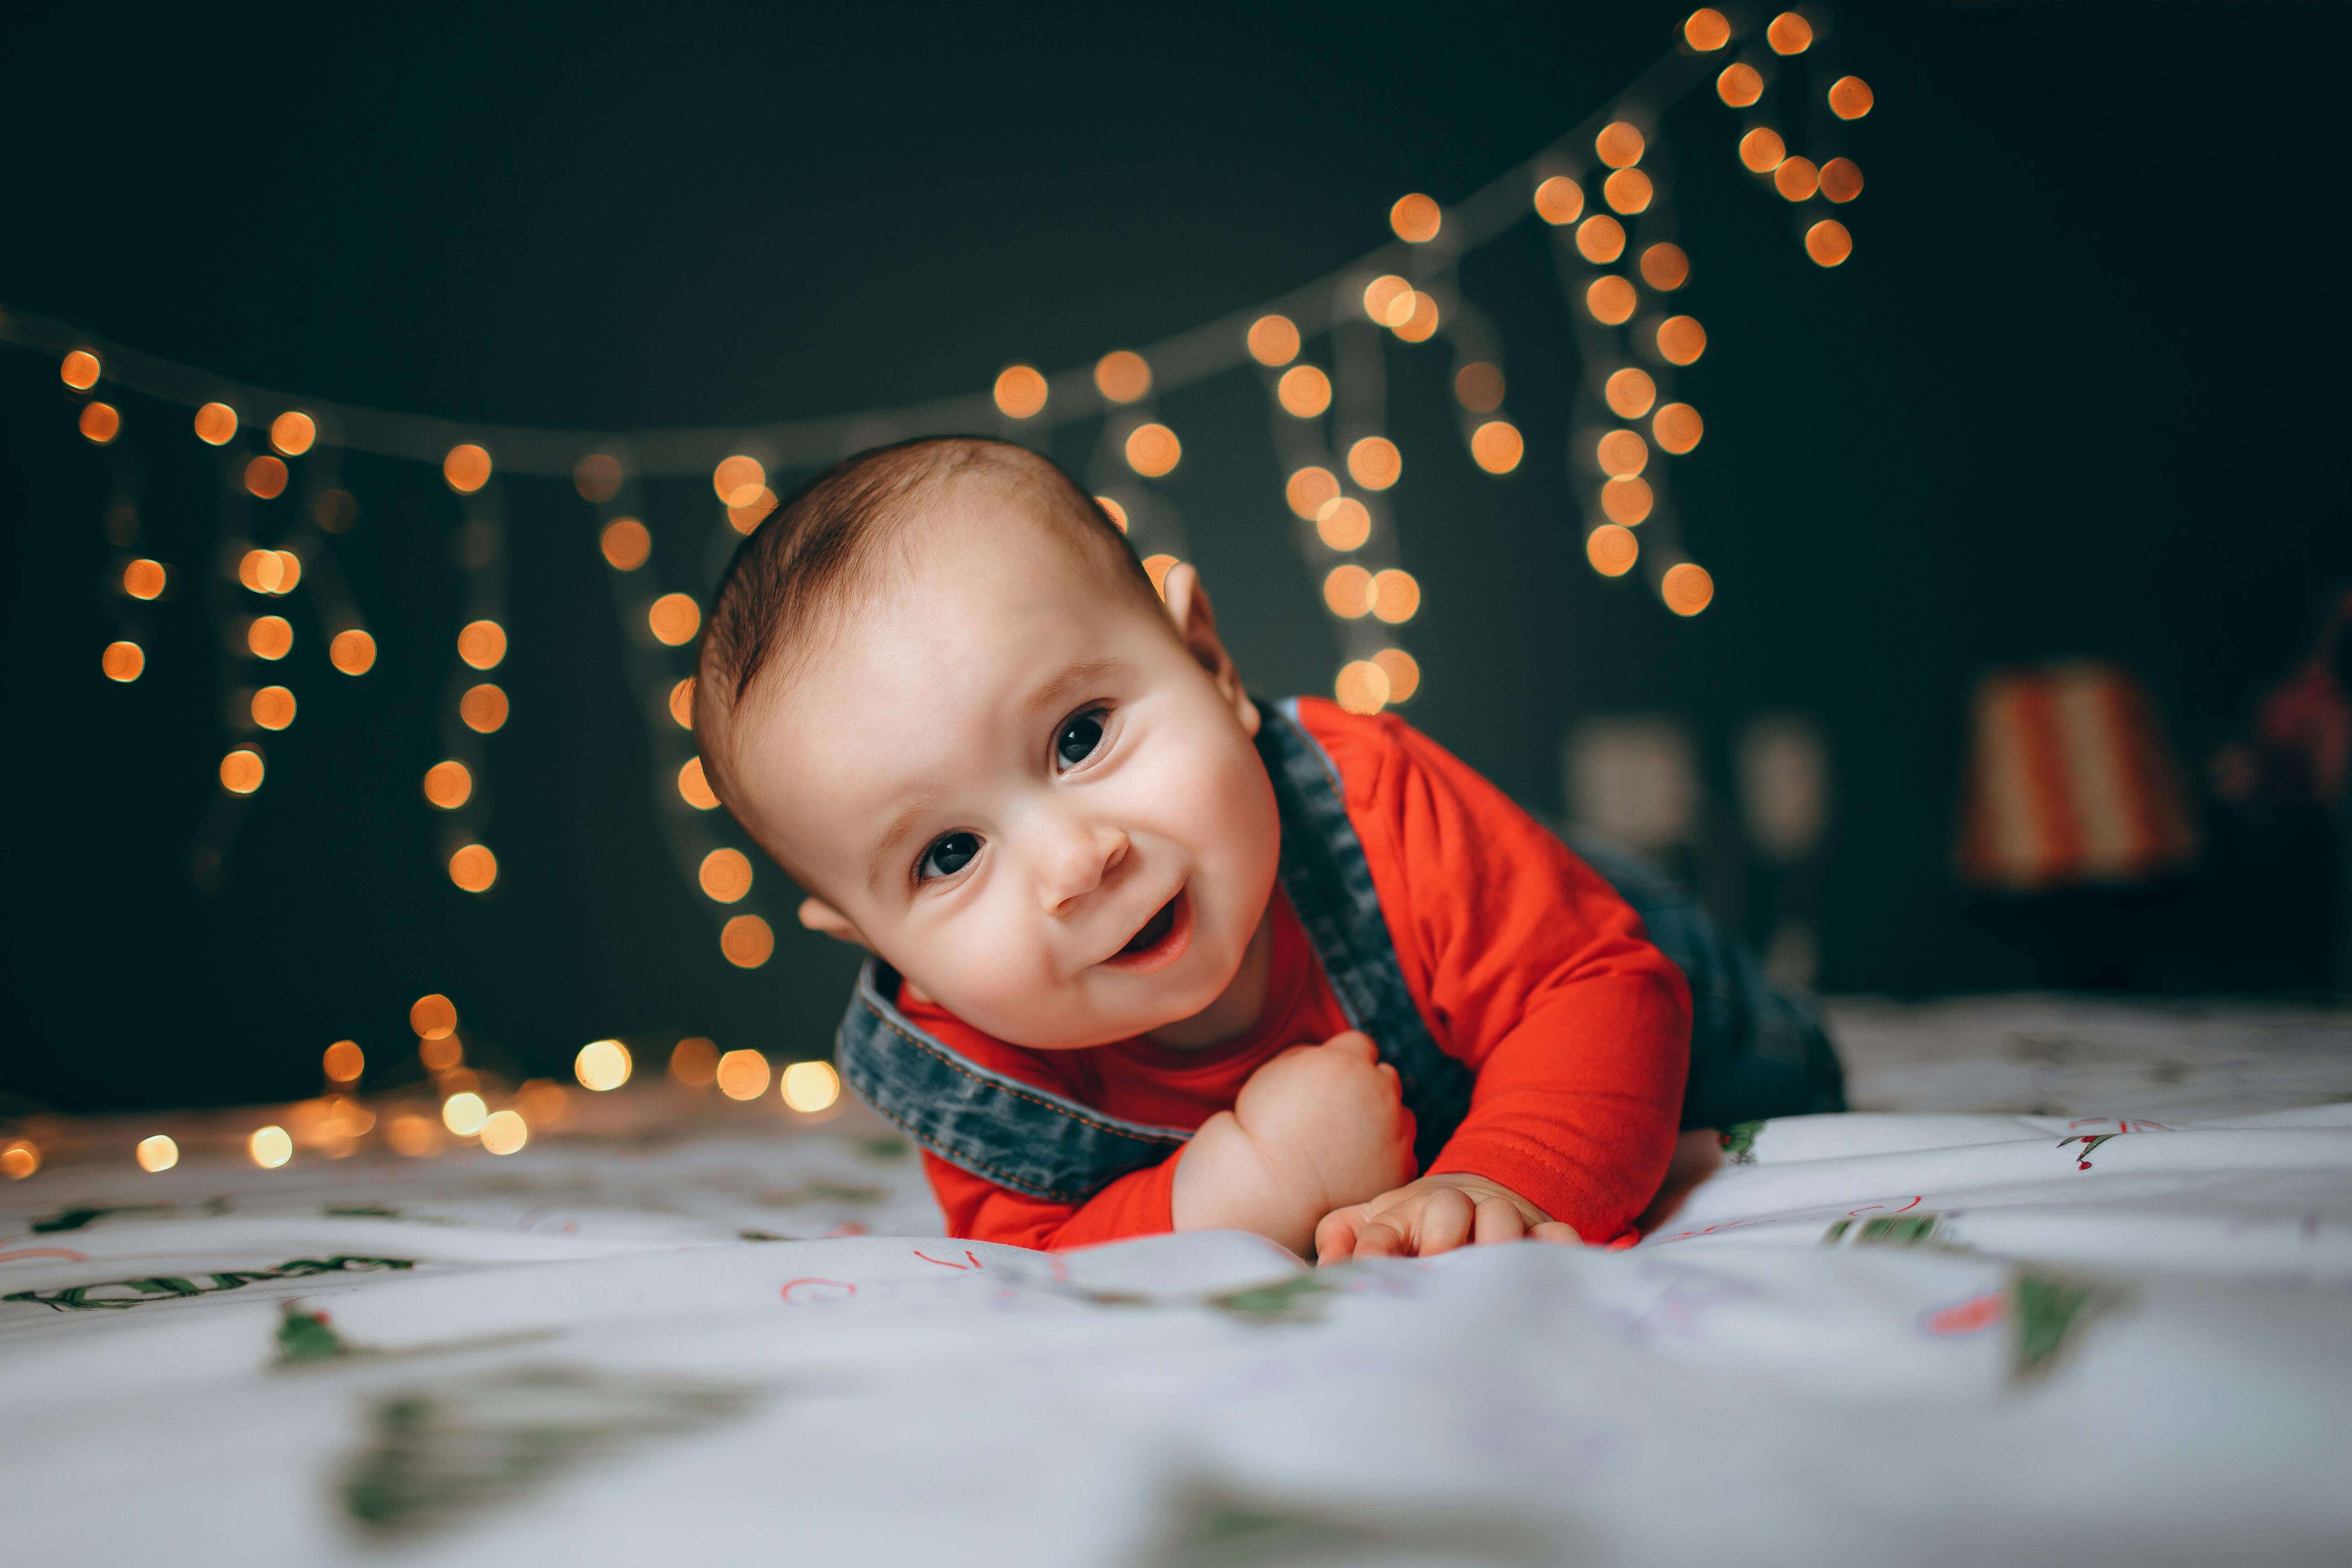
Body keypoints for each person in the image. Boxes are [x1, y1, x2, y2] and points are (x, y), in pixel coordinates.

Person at [693, 437, 1841, 1260]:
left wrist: (1504, 1178)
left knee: (1756, 1065)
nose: (1074, 861)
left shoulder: (1378, 804)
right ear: (874, 941)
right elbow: (1042, 1250)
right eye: (947, 855)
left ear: (1208, 663)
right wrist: (1246, 1191)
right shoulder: (973, 1068)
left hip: (1653, 990)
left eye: (1081, 737)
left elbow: (1596, 986)